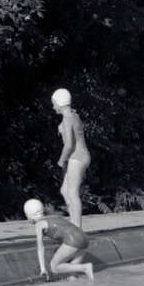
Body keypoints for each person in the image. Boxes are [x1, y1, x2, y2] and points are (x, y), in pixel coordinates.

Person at [24, 198, 94, 280]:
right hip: (84, 238)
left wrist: (43, 269)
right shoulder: (53, 216)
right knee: (72, 278)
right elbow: (65, 230)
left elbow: (40, 248)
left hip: (74, 240)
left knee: (54, 267)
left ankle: (85, 268)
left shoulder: (38, 224)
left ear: (29, 215)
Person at [52, 89, 91, 228]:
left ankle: (77, 227)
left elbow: (69, 144)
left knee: (72, 192)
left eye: (54, 103)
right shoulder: (74, 115)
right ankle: (74, 222)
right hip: (81, 156)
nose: (53, 107)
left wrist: (61, 160)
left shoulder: (68, 118)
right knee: (65, 190)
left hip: (77, 156)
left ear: (60, 103)